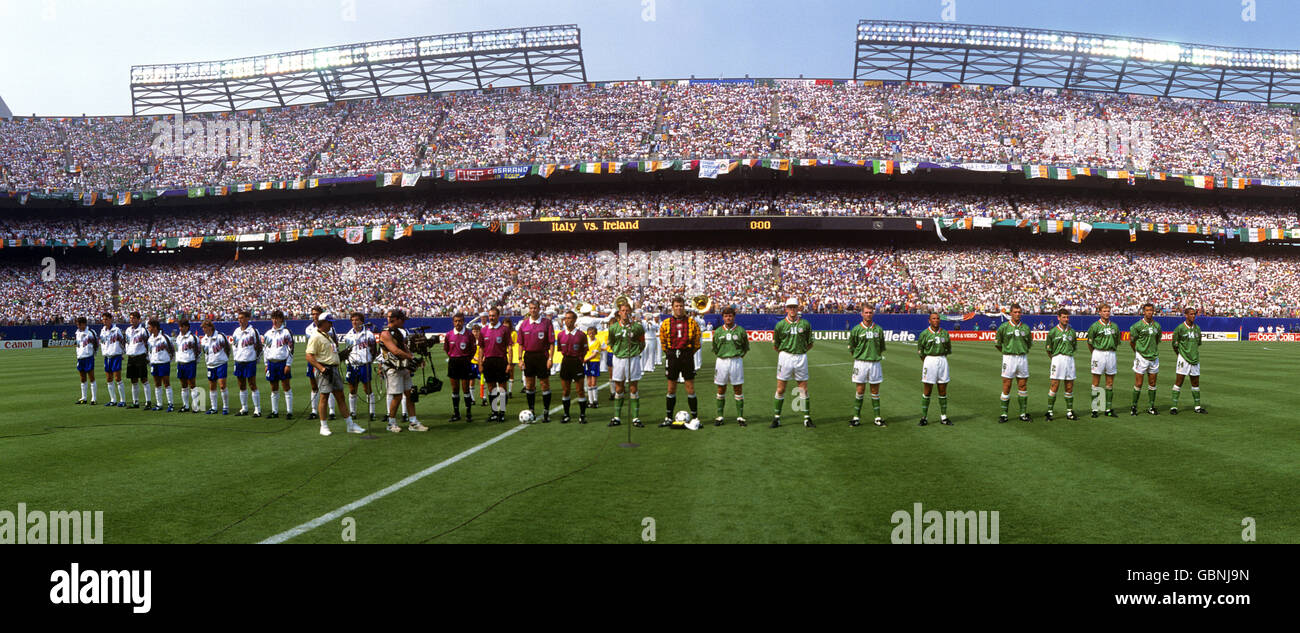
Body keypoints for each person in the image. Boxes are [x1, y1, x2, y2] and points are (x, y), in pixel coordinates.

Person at [304, 311, 364, 436]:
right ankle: (323, 426)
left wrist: (343, 354)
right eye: (329, 322)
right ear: (323, 323)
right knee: (324, 397)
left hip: (334, 369)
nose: (331, 325)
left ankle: (350, 424)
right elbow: (309, 356)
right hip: (325, 370)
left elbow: (332, 354)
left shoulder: (328, 335)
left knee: (340, 396)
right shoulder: (316, 336)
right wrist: (322, 369)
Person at [377, 309, 425, 432]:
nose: (404, 322)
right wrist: (412, 357)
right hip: (393, 368)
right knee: (397, 396)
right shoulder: (385, 333)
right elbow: (395, 351)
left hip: (403, 367)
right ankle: (391, 423)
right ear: (396, 320)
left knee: (410, 394)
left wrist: (416, 359)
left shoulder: (398, 332)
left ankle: (413, 422)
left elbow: (404, 348)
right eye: (402, 320)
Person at [659, 296, 702, 427]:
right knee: (671, 388)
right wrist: (671, 353)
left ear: (684, 307)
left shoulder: (692, 322)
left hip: (687, 355)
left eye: (681, 306)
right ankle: (668, 417)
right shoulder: (666, 323)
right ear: (672, 307)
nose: (679, 308)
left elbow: (696, 342)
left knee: (690, 387)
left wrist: (687, 353)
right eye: (676, 306)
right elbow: (663, 342)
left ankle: (695, 418)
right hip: (672, 355)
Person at [773, 297, 815, 429]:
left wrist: (800, 352)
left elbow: (810, 343)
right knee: (781, 388)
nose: (792, 309)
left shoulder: (805, 324)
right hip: (785, 357)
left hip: (801, 357)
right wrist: (785, 354)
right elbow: (776, 345)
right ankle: (776, 418)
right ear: (786, 309)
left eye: (794, 307)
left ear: (798, 308)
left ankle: (807, 418)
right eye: (790, 307)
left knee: (803, 389)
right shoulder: (780, 325)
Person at [607, 302, 646, 427]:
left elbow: (642, 343)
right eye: (622, 310)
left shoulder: (637, 327)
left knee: (633, 388)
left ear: (630, 312)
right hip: (618, 359)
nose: (625, 313)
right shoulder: (613, 328)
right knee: (619, 388)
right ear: (619, 312)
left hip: (633, 359)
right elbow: (611, 343)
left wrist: (635, 352)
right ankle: (617, 417)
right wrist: (618, 352)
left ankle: (635, 418)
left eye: (627, 310)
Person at [517, 300, 555, 422]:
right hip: (529, 357)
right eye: (531, 308)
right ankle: (531, 410)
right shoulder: (524, 324)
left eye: (535, 308)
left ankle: (546, 411)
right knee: (529, 384)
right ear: (529, 309)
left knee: (544, 384)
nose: (533, 310)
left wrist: (550, 358)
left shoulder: (547, 323)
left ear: (539, 309)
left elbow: (551, 343)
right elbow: (520, 344)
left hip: (542, 356)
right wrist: (520, 359)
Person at [848, 304, 885, 427]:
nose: (868, 314)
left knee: (875, 391)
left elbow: (881, 347)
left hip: (875, 363)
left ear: (873, 313)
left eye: (870, 312)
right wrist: (860, 356)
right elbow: (852, 347)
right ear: (862, 314)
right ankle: (856, 417)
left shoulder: (878, 329)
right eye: (866, 312)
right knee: (860, 390)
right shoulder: (856, 329)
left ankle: (878, 417)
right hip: (861, 363)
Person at [711, 305, 749, 427]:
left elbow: (745, 347)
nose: (728, 318)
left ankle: (740, 417)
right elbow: (715, 348)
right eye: (726, 316)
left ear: (734, 317)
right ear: (723, 318)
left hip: (736, 361)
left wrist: (737, 356)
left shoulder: (741, 331)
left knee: (738, 388)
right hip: (721, 361)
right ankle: (720, 416)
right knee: (721, 388)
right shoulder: (718, 332)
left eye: (730, 316)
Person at [995, 304, 1032, 423]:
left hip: (1022, 358)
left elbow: (1029, 344)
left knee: (1022, 385)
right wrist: (1007, 353)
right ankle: (1004, 414)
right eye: (1015, 312)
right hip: (1009, 358)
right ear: (1010, 313)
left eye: (1019, 312)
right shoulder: (1003, 327)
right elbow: (998, 344)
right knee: (1006, 385)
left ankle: (1023, 413)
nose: (1017, 314)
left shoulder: (1025, 328)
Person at [917, 312, 952, 426]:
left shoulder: (945, 333)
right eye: (933, 318)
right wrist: (928, 361)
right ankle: (924, 417)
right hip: (929, 360)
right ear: (929, 320)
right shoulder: (924, 334)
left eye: (937, 318)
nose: (936, 320)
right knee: (927, 390)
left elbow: (948, 349)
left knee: (942, 390)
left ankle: (944, 417)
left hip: (942, 360)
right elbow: (920, 351)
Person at [1170, 307, 1207, 415]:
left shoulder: (1197, 328)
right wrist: (1180, 355)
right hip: (1183, 358)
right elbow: (1174, 345)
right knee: (1179, 382)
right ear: (1185, 315)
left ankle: (1197, 407)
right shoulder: (1180, 328)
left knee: (1195, 383)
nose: (1193, 316)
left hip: (1195, 358)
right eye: (1190, 314)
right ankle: (1174, 407)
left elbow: (1198, 343)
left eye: (1194, 314)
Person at [477, 307, 512, 422]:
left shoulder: (504, 330)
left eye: (493, 316)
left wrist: (510, 363)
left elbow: (510, 347)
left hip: (501, 361)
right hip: (488, 362)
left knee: (502, 388)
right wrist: (480, 363)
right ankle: (493, 412)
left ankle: (501, 412)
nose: (491, 318)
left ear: (498, 316)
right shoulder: (483, 330)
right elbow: (481, 348)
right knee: (491, 388)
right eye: (490, 316)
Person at [1086, 304, 1120, 418]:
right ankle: (1095, 408)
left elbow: (1116, 341)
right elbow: (1090, 343)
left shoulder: (1114, 326)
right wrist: (1095, 354)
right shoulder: (1095, 326)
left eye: (1108, 311)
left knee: (1110, 382)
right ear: (1099, 312)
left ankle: (1108, 409)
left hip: (1111, 353)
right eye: (1104, 311)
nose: (1106, 313)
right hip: (1098, 353)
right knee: (1096, 382)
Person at [341, 312, 377, 422]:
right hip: (352, 365)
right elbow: (347, 350)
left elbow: (374, 349)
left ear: (362, 321)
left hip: (364, 365)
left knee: (367, 388)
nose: (354, 322)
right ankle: (353, 412)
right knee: (352, 389)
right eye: (352, 320)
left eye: (356, 320)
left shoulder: (368, 334)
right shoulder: (348, 335)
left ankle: (372, 412)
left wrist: (370, 360)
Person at [555, 310, 590, 424]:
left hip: (577, 363)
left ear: (575, 320)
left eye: (570, 318)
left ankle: (582, 415)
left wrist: (580, 360)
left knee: (580, 390)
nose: (567, 320)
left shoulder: (581, 335)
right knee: (565, 391)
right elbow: (560, 349)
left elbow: (585, 350)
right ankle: (566, 415)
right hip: (566, 362)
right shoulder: (560, 335)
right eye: (566, 318)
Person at [1044, 309, 1079, 421]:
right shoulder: (1053, 331)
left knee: (1069, 386)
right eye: (1063, 317)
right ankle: (1049, 412)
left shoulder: (1072, 332)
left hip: (1069, 359)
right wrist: (1055, 358)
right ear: (1058, 318)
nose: (1066, 319)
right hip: (1057, 359)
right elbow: (1048, 349)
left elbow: (1074, 346)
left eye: (1067, 317)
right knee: (1054, 385)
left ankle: (1069, 412)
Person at [304, 306, 337, 419]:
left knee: (329, 386)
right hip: (314, 360)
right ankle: (314, 411)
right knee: (314, 386)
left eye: (317, 314)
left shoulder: (330, 328)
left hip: (326, 360)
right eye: (313, 314)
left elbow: (335, 343)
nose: (315, 316)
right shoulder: (308, 329)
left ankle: (331, 411)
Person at [1129, 303, 1161, 416]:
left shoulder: (1157, 325)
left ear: (1153, 311)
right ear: (1143, 312)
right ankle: (1134, 406)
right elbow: (1132, 342)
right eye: (1147, 310)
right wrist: (1138, 352)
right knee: (1139, 383)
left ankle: (1151, 407)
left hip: (1154, 357)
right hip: (1141, 357)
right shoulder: (1137, 326)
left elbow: (1157, 340)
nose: (1149, 312)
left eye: (1151, 310)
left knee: (1152, 383)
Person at [445, 313, 478, 422]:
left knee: (465, 389)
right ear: (453, 322)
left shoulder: (469, 335)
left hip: (465, 362)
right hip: (453, 362)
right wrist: (453, 356)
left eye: (460, 321)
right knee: (455, 389)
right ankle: (456, 413)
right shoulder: (449, 334)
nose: (458, 323)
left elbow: (473, 349)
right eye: (456, 321)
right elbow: (446, 349)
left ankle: (468, 414)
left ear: (463, 321)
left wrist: (467, 359)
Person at [262, 310, 295, 419]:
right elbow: (265, 350)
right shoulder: (267, 333)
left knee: (286, 386)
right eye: (273, 318)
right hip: (271, 363)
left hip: (282, 362)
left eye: (277, 318)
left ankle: (289, 412)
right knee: (273, 387)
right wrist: (266, 364)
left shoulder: (286, 332)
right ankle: (274, 411)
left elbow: (291, 349)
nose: (275, 320)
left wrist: (288, 364)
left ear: (281, 319)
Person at [230, 310, 262, 417]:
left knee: (252, 384)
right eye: (238, 318)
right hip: (239, 362)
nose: (240, 320)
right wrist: (235, 359)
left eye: (242, 318)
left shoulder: (253, 331)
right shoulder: (236, 332)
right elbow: (234, 347)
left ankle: (257, 409)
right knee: (241, 385)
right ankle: (244, 408)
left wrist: (256, 359)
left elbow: (259, 347)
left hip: (250, 361)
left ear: (247, 318)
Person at [200, 320, 231, 415]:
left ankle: (225, 407)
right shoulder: (204, 340)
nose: (203, 330)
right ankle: (214, 407)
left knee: (222, 385)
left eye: (205, 327)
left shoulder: (220, 336)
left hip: (221, 364)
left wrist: (224, 358)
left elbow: (228, 348)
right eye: (203, 328)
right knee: (212, 387)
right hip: (210, 365)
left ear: (210, 327)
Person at [145, 319, 175, 412]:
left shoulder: (165, 338)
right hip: (154, 363)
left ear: (155, 327)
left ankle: (171, 404)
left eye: (149, 327)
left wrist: (167, 360)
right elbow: (149, 351)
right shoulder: (150, 339)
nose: (148, 329)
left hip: (164, 363)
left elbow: (172, 351)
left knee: (166, 383)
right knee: (157, 384)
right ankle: (159, 404)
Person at [124, 311, 150, 408]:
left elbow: (148, 345)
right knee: (133, 380)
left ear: (139, 319)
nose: (132, 320)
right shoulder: (128, 330)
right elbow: (126, 342)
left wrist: (147, 357)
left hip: (140, 356)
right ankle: (136, 402)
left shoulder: (143, 331)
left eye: (134, 318)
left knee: (144, 379)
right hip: (131, 357)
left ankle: (148, 402)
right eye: (131, 318)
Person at [174, 319, 201, 413]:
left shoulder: (193, 338)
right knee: (183, 385)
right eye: (180, 326)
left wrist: (195, 360)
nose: (180, 328)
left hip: (190, 362)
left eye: (182, 326)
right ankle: (185, 406)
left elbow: (198, 351)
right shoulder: (178, 337)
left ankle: (196, 406)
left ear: (187, 327)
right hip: (180, 363)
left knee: (192, 385)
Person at [99, 313, 125, 407]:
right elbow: (102, 343)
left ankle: (122, 400)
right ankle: (113, 400)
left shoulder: (117, 330)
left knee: (118, 378)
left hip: (115, 356)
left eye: (106, 319)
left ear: (111, 320)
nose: (104, 321)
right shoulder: (102, 331)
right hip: (107, 357)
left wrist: (122, 353)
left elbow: (123, 342)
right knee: (109, 379)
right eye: (103, 319)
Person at [73, 316, 98, 405]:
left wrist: (93, 355)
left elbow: (96, 344)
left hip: (88, 357)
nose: (78, 326)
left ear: (84, 324)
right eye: (77, 325)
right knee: (82, 378)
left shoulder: (91, 332)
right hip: (80, 358)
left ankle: (94, 398)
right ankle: (84, 398)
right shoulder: (77, 333)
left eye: (79, 325)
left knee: (91, 377)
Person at [583, 325, 604, 410]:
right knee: (588, 382)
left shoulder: (597, 342)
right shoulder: (586, 341)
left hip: (594, 362)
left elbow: (594, 354)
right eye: (589, 332)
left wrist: (585, 359)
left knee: (593, 382)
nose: (591, 334)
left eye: (592, 332)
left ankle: (595, 401)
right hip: (587, 362)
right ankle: (590, 401)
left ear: (595, 333)